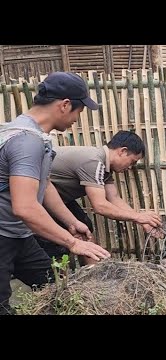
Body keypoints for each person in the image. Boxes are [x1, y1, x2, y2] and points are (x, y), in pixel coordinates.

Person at [0, 72, 111, 315]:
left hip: (19, 235)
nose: (76, 120)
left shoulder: (38, 137)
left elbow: (45, 184)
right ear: (65, 105)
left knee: (57, 290)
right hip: (2, 235)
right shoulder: (25, 141)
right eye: (79, 112)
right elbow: (25, 207)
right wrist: (72, 243)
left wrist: (71, 222)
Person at [35, 130, 162, 263]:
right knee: (52, 247)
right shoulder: (93, 161)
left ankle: (94, 276)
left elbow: (114, 198)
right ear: (123, 151)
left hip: (56, 197)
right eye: (132, 162)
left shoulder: (104, 166)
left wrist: (143, 222)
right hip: (36, 198)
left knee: (84, 228)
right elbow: (100, 206)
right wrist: (138, 216)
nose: (130, 167)